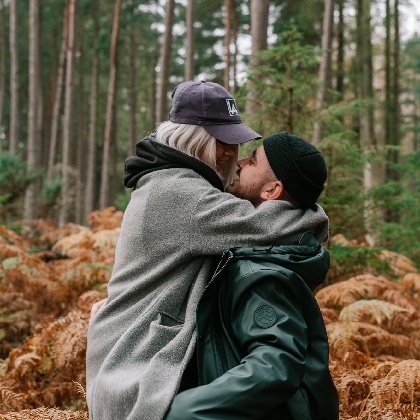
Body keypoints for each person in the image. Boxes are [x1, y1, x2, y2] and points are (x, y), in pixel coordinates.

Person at [86, 81, 330, 420]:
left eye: (236, 142)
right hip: (134, 368)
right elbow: (263, 225)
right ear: (193, 138)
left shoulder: (174, 183)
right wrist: (313, 213)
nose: (233, 153)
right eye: (222, 141)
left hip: (134, 353)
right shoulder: (180, 194)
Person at [164, 133, 339, 420]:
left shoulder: (259, 271)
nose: (241, 162)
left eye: (253, 160)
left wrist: (185, 411)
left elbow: (277, 363)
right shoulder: (259, 253)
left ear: (272, 190)